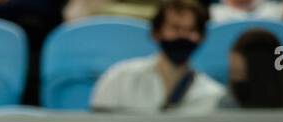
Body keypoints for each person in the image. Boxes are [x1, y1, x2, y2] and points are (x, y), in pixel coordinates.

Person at [90, 0, 227, 113]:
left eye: (191, 30)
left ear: (202, 37)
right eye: (175, 28)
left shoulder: (213, 95)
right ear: (156, 33)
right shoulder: (119, 78)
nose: (183, 36)